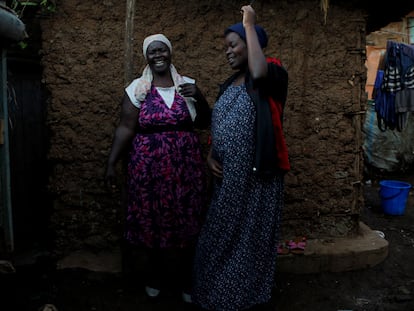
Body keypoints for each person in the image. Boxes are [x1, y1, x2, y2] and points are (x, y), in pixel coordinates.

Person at [192, 5, 289, 311]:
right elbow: (219, 126)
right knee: (220, 233)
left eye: (233, 45)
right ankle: (214, 292)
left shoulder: (272, 73)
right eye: (226, 47)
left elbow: (257, 71)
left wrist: (249, 24)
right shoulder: (228, 84)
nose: (228, 52)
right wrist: (211, 154)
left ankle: (240, 297)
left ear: (252, 44)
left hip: (256, 179)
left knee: (247, 237)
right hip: (227, 179)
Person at [105, 33, 211, 303]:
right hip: (148, 170)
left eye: (162, 50)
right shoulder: (137, 89)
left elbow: (205, 123)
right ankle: (155, 278)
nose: (158, 55)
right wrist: (111, 162)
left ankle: (186, 281)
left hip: (185, 169)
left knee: (186, 222)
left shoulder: (187, 85)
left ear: (170, 53)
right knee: (152, 221)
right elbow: (126, 127)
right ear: (146, 56)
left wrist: (198, 97)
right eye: (152, 52)